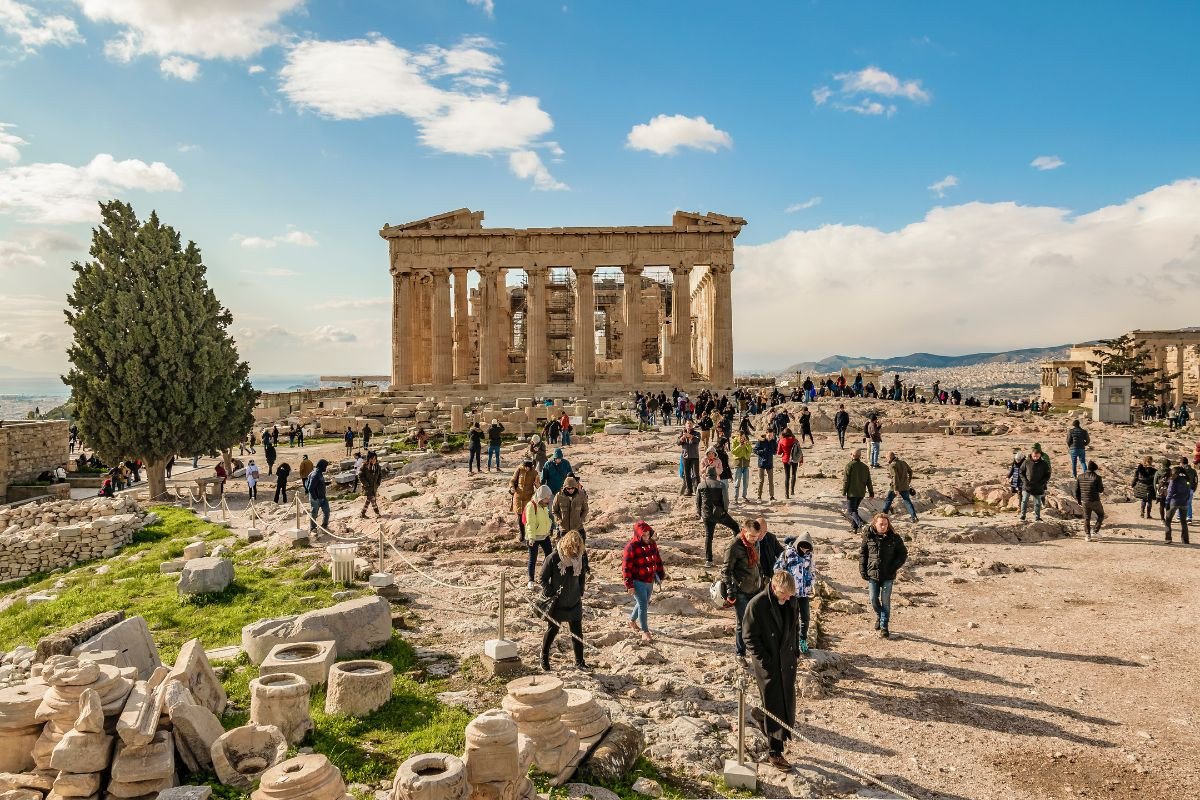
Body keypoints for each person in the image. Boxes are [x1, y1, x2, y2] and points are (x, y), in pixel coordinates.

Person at [742, 570, 799, 770]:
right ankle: (775, 752)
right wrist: (764, 660)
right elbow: (748, 636)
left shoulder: (791, 601)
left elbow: (795, 627)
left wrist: (796, 651)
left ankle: (761, 716)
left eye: (790, 594)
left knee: (786, 704)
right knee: (774, 703)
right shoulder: (757, 605)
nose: (788, 597)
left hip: (787, 662)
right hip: (768, 665)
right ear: (774, 587)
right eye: (784, 594)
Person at [538, 529, 590, 671]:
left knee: (577, 633)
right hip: (558, 603)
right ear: (567, 544)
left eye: (578, 547)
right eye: (573, 547)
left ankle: (580, 661)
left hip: (574, 601)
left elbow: (582, 575)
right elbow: (542, 578)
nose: (575, 551)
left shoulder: (580, 556)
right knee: (552, 630)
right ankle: (544, 656)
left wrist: (580, 591)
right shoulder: (554, 558)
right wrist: (550, 592)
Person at [723, 519, 766, 658]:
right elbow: (726, 571)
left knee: (757, 621)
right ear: (744, 531)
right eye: (752, 536)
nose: (754, 539)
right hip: (740, 591)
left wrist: (762, 582)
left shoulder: (756, 543)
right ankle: (740, 653)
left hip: (756, 589)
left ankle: (755, 651)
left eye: (757, 536)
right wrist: (731, 592)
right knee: (743, 623)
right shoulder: (734, 546)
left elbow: (757, 564)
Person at [860, 513, 908, 638]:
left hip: (888, 575)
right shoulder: (868, 536)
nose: (883, 526)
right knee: (873, 599)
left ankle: (884, 627)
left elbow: (903, 554)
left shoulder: (895, 538)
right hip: (873, 573)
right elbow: (863, 554)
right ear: (875, 524)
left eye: (886, 524)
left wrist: (894, 567)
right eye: (881, 524)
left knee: (885, 601)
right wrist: (862, 570)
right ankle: (879, 615)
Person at [622, 520, 665, 643]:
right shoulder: (631, 547)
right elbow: (626, 568)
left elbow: (657, 560)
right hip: (637, 581)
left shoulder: (652, 544)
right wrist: (629, 585)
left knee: (643, 603)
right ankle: (645, 631)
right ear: (638, 535)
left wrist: (661, 573)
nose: (646, 537)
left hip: (649, 580)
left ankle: (631, 621)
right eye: (643, 535)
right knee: (643, 605)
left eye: (648, 534)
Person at [774, 533, 816, 654]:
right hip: (789, 593)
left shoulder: (809, 556)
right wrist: (785, 582)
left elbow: (812, 571)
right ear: (798, 544)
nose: (805, 549)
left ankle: (802, 640)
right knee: (791, 619)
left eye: (807, 547)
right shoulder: (787, 554)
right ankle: (789, 643)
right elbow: (777, 569)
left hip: (803, 593)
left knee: (805, 618)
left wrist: (811, 584)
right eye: (802, 546)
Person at [697, 465, 739, 566]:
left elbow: (698, 502)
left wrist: (700, 513)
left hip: (706, 515)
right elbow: (725, 500)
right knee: (735, 527)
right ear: (715, 474)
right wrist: (725, 511)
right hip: (720, 513)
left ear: (706, 474)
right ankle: (737, 552)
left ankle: (709, 560)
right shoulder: (720, 485)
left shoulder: (701, 485)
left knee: (709, 536)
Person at [524, 485, 554, 589]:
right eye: (546, 498)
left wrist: (549, 526)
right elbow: (530, 523)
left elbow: (547, 518)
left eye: (548, 498)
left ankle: (547, 576)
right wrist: (531, 538)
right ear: (541, 496)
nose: (548, 500)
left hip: (544, 535)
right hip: (533, 537)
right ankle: (531, 580)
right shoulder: (531, 505)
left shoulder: (544, 505)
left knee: (550, 556)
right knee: (533, 558)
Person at [841, 449, 874, 531]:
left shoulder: (849, 465)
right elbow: (869, 481)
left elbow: (846, 480)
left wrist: (844, 492)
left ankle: (861, 525)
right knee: (855, 510)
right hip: (861, 493)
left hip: (852, 493)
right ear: (860, 456)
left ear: (852, 455)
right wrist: (871, 493)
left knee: (851, 511)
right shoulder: (865, 467)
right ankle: (854, 528)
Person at [882, 452, 918, 523]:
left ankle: (883, 516)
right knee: (907, 501)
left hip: (896, 487)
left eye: (886, 458)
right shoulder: (903, 462)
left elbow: (895, 477)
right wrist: (908, 481)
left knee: (888, 500)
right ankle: (914, 517)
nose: (886, 460)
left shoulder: (892, 465)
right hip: (905, 486)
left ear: (890, 457)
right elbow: (910, 471)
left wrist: (895, 489)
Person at [1019, 444, 1052, 522]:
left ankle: (1037, 517)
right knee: (1024, 500)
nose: (1036, 458)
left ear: (1040, 455)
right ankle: (1022, 515)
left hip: (1038, 486)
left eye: (1037, 456)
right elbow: (1021, 472)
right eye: (1034, 456)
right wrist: (1025, 482)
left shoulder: (1044, 464)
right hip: (1027, 486)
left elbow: (1047, 474)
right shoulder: (1026, 462)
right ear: (1032, 454)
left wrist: (1042, 483)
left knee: (1037, 502)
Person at [509, 457, 539, 541]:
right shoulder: (519, 470)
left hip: (528, 497)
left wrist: (537, 485)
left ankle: (528, 533)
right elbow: (512, 480)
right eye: (525, 466)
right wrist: (512, 487)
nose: (526, 468)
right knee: (519, 515)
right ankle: (522, 534)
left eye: (528, 467)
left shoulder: (534, 472)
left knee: (527, 516)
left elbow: (537, 485)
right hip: (518, 496)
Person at [1074, 460, 1104, 541]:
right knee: (1101, 515)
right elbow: (1101, 490)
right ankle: (1095, 531)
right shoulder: (1097, 477)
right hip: (1095, 500)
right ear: (1095, 469)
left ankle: (1087, 535)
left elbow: (1077, 490)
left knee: (1087, 518)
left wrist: (1079, 501)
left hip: (1084, 501)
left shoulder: (1080, 477)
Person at [553, 476, 589, 541]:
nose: (570, 490)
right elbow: (554, 511)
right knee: (562, 549)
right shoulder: (559, 496)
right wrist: (560, 520)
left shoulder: (581, 495)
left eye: (572, 488)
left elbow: (585, 509)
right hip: (564, 529)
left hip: (578, 528)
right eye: (568, 488)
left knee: (580, 549)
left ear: (575, 487)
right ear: (565, 487)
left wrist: (581, 519)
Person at [1165, 466, 1191, 544]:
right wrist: (1186, 499)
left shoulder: (1173, 480)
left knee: (1168, 520)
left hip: (1174, 502)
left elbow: (1170, 493)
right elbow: (1188, 491)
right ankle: (1185, 540)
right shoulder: (1186, 479)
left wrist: (1167, 503)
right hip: (1184, 502)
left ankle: (1168, 538)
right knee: (1184, 522)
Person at [777, 428, 801, 499]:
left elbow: (779, 452)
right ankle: (792, 491)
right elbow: (799, 451)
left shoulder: (781, 441)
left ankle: (786, 494)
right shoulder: (795, 440)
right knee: (794, 474)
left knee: (787, 476)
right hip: (794, 459)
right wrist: (801, 460)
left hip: (786, 460)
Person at [678, 423, 701, 496]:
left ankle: (698, 490)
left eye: (690, 423)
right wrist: (681, 439)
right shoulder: (682, 433)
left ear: (693, 425)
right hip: (685, 456)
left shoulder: (696, 433)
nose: (689, 425)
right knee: (686, 474)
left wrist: (690, 436)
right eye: (688, 423)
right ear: (685, 425)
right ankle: (689, 491)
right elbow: (678, 443)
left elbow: (697, 441)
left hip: (694, 456)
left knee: (696, 474)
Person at [307, 459, 330, 533]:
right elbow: (310, 488)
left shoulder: (319, 473)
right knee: (314, 513)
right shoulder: (315, 474)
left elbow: (317, 484)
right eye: (325, 466)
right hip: (316, 498)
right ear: (322, 466)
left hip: (322, 497)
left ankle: (324, 526)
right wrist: (315, 498)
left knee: (327, 511)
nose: (326, 468)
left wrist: (325, 483)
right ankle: (313, 528)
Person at [359, 451, 383, 518]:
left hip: (374, 486)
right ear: (368, 459)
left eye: (375, 459)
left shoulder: (377, 466)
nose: (373, 460)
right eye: (372, 459)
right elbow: (360, 476)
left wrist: (378, 483)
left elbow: (380, 475)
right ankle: (377, 513)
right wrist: (366, 484)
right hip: (367, 487)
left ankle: (362, 513)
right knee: (372, 499)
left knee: (370, 499)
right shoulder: (364, 466)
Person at [731, 431, 752, 504]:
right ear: (738, 436)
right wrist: (739, 446)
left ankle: (744, 496)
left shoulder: (747, 441)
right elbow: (733, 451)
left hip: (746, 463)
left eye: (743, 437)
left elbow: (750, 451)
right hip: (738, 463)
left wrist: (747, 445)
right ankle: (735, 497)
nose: (742, 439)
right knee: (737, 481)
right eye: (741, 437)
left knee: (745, 481)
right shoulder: (735, 441)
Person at [754, 432, 776, 502]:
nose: (770, 437)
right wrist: (763, 451)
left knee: (771, 481)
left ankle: (772, 496)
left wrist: (773, 452)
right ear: (766, 434)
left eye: (771, 436)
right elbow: (755, 450)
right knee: (761, 481)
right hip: (761, 463)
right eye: (769, 435)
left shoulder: (773, 442)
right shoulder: (761, 441)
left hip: (770, 463)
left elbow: (775, 450)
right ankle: (759, 497)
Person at [1180, 456, 1198, 522]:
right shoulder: (1193, 471)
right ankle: (1189, 517)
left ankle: (1179, 516)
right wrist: (1194, 488)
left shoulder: (1180, 470)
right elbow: (1196, 480)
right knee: (1189, 503)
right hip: (1190, 489)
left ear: (1181, 463)